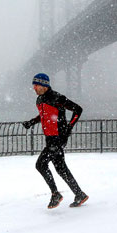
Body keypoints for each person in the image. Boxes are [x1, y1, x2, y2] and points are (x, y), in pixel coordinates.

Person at [22, 72, 89, 209]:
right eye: (33, 85)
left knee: (40, 165)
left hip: (58, 138)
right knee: (61, 168)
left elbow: (78, 110)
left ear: (44, 85)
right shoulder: (39, 100)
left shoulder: (57, 97)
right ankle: (79, 194)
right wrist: (31, 122)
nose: (34, 88)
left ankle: (55, 194)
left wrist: (69, 127)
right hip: (49, 138)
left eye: (36, 85)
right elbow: (44, 115)